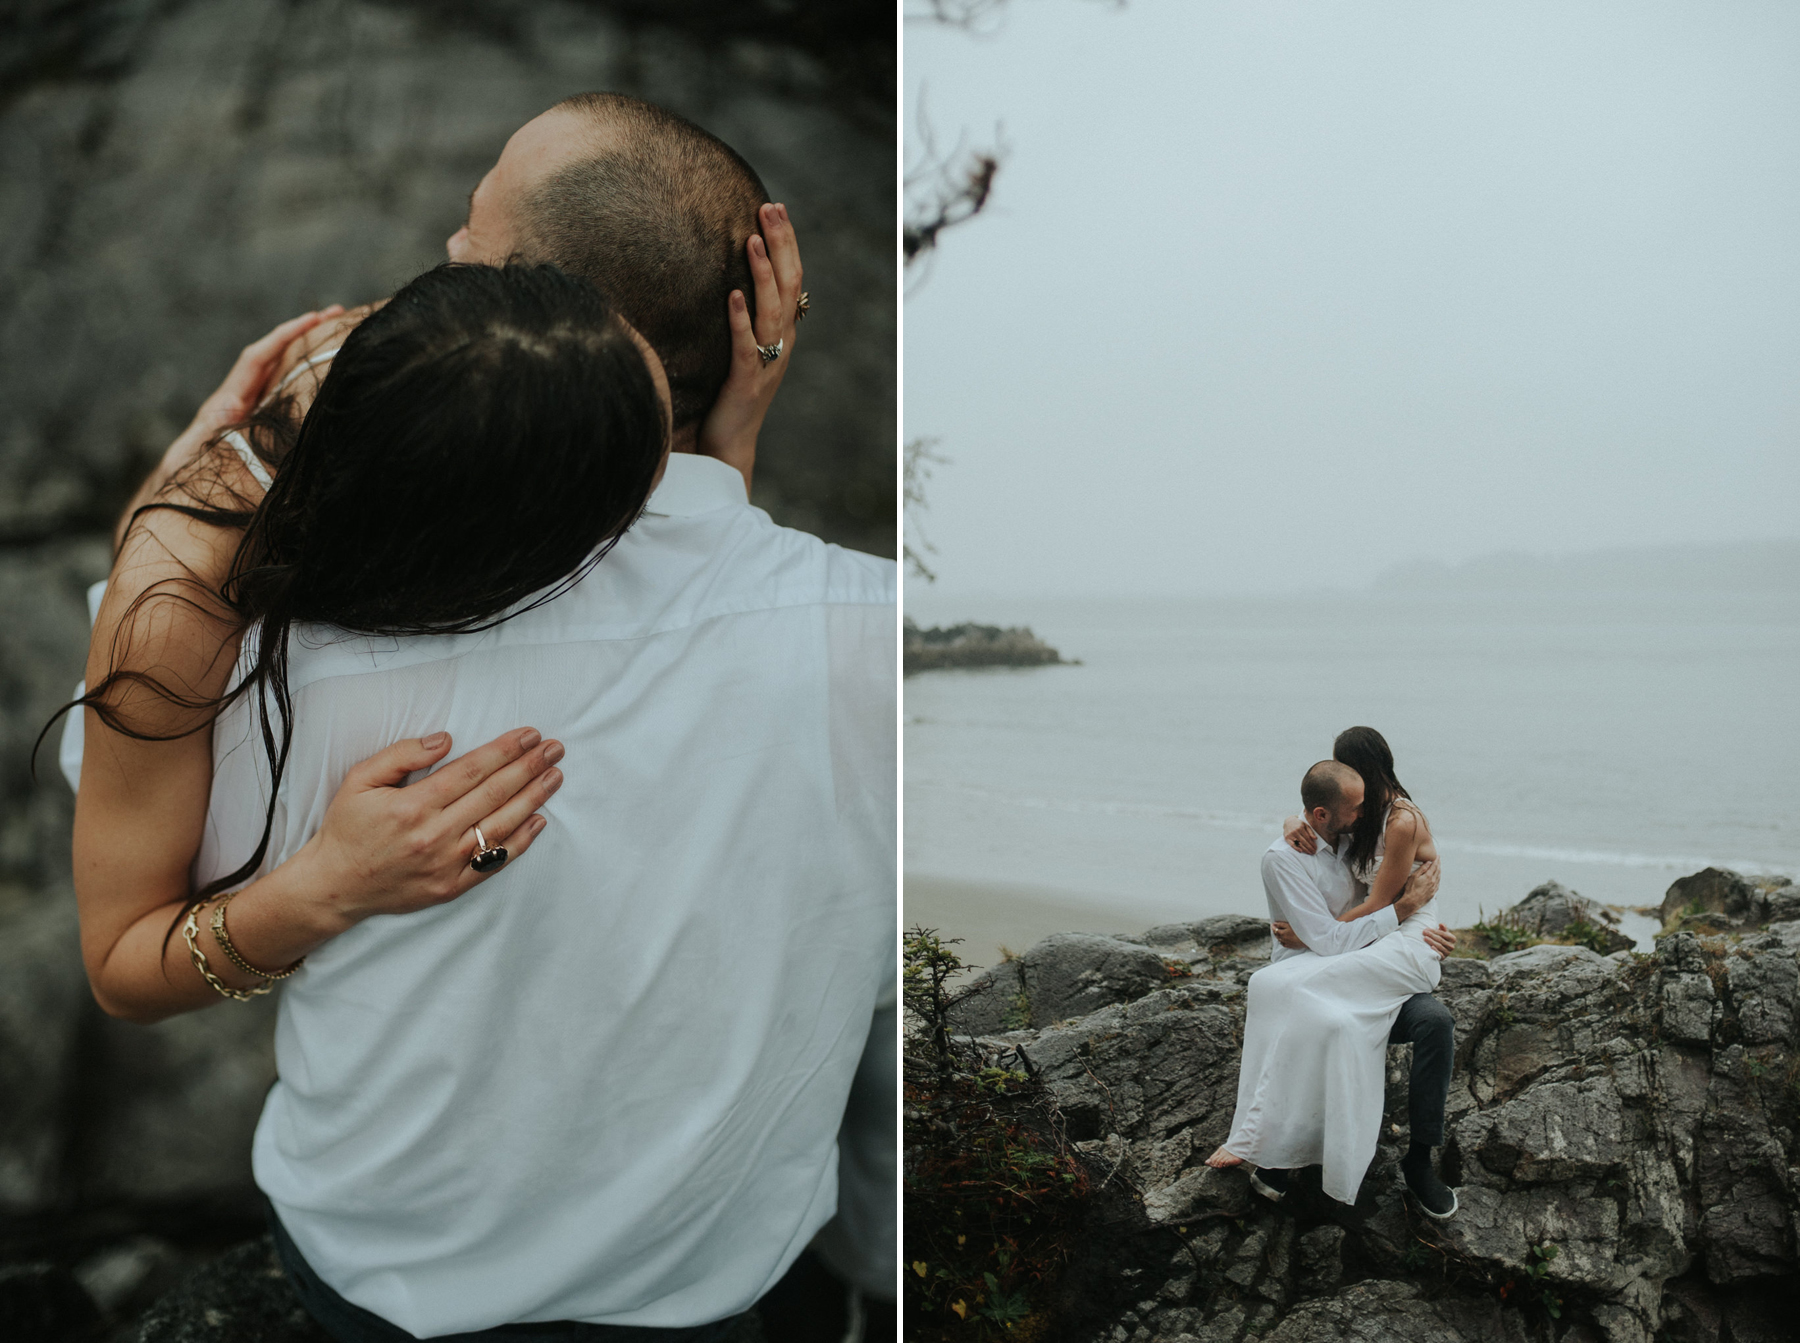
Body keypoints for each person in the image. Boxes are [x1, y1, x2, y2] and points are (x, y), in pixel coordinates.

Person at [60, 95, 891, 1340]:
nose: (442, 252)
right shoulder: (871, 636)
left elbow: (127, 947)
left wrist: (183, 504)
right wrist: (724, 474)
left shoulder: (275, 659)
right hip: (716, 1278)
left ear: (533, 331)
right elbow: (708, 629)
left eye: (471, 237)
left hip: (388, 1281)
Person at [1204, 738, 1460, 1217]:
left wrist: (1310, 937)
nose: (1358, 805)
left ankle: (1420, 1162)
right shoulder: (1347, 824)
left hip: (1398, 946)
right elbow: (1316, 821)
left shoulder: (1396, 821)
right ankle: (1281, 1150)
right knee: (1316, 1014)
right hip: (1356, 949)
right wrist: (1290, 823)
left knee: (1432, 1023)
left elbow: (1386, 906)